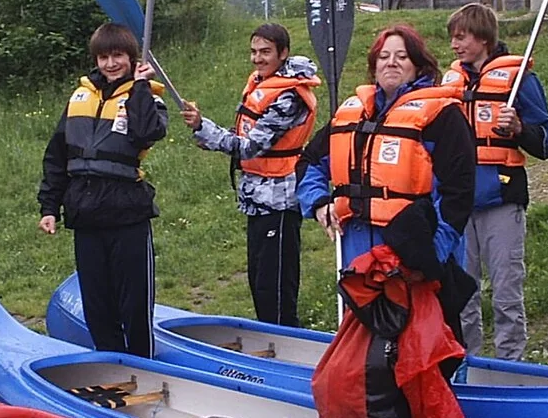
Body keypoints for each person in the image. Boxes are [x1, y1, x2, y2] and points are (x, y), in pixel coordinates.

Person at [297, 25, 476, 417]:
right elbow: (309, 163)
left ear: (417, 65)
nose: (391, 63)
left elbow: (458, 194)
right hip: (361, 260)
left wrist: (431, 256)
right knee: (368, 361)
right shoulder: (353, 114)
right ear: (373, 65)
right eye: (383, 56)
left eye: (401, 56)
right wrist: (319, 202)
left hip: (416, 261)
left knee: (425, 355)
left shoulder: (441, 116)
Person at [37, 23, 168, 358]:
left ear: (131, 58)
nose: (111, 64)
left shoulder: (148, 96)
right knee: (97, 303)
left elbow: (148, 132)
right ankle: (110, 362)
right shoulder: (79, 98)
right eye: (104, 57)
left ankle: (143, 364)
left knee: (133, 303)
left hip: (127, 214)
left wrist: (139, 87)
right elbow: (57, 156)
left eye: (118, 56)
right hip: (86, 214)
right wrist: (49, 207)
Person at [180, 23, 319, 327]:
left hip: (280, 200)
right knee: (258, 281)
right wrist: (207, 135)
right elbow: (241, 134)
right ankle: (269, 340)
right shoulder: (260, 83)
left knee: (276, 288)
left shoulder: (289, 98)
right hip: (257, 198)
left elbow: (251, 147)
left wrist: (203, 127)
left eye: (266, 52)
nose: (258, 58)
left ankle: (286, 346)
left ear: (283, 54)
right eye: (254, 52)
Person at [443, 3, 548, 361]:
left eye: (461, 37)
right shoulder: (450, 83)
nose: (454, 45)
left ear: (482, 37)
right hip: (459, 205)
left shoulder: (518, 80)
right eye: (452, 38)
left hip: (502, 199)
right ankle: (466, 364)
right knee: (462, 294)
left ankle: (510, 365)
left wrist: (520, 129)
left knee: (507, 292)